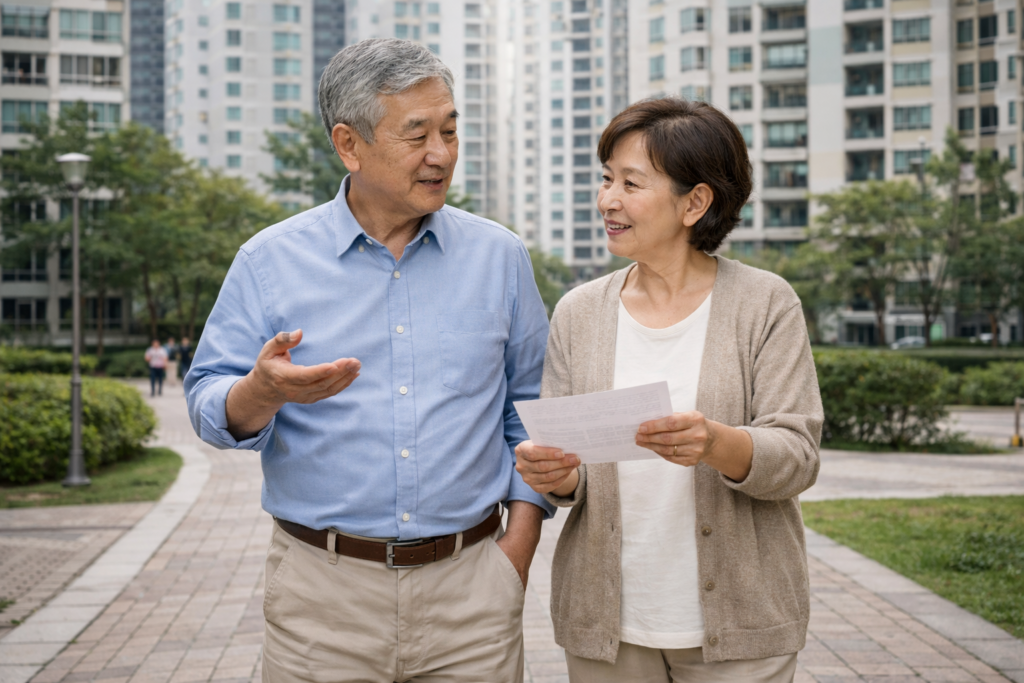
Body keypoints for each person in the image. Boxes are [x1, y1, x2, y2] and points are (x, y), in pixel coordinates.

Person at [185, 38, 553, 682]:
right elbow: (207, 401)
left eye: (450, 130)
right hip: (321, 600)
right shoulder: (268, 261)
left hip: (473, 593)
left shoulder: (500, 257)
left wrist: (516, 551)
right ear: (349, 144)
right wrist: (262, 391)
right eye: (417, 134)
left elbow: (534, 411)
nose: (442, 154)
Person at [515, 97, 823, 682]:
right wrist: (556, 474)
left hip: (742, 623)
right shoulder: (580, 311)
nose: (608, 200)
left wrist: (717, 444)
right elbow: (575, 471)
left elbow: (798, 457)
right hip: (607, 626)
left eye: (631, 183)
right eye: (606, 179)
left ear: (695, 202)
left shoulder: (765, 303)